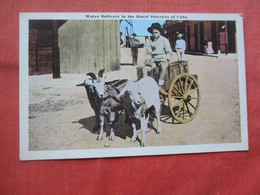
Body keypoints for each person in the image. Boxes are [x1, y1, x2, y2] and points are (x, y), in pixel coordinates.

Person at [142, 23, 173, 95]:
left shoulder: (164, 40)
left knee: (164, 66)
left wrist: (166, 58)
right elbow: (148, 52)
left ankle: (160, 84)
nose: (154, 34)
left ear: (160, 32)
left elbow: (169, 53)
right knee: (144, 69)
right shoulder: (149, 40)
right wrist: (148, 59)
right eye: (153, 33)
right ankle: (145, 85)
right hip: (153, 59)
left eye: (156, 33)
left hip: (162, 58)